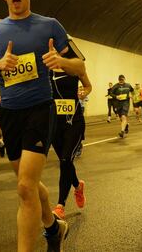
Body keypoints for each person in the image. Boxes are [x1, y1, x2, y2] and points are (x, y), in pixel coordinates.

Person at [0, 0, 83, 252]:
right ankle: (53, 228)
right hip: (10, 113)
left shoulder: (50, 26)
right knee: (30, 185)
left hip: (40, 109)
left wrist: (60, 62)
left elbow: (80, 65)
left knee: (25, 187)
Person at [49, 37, 91, 220]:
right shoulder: (47, 68)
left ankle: (60, 206)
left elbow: (88, 86)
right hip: (54, 123)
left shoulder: (75, 66)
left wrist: (83, 93)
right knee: (65, 161)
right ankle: (77, 185)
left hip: (73, 121)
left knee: (66, 160)